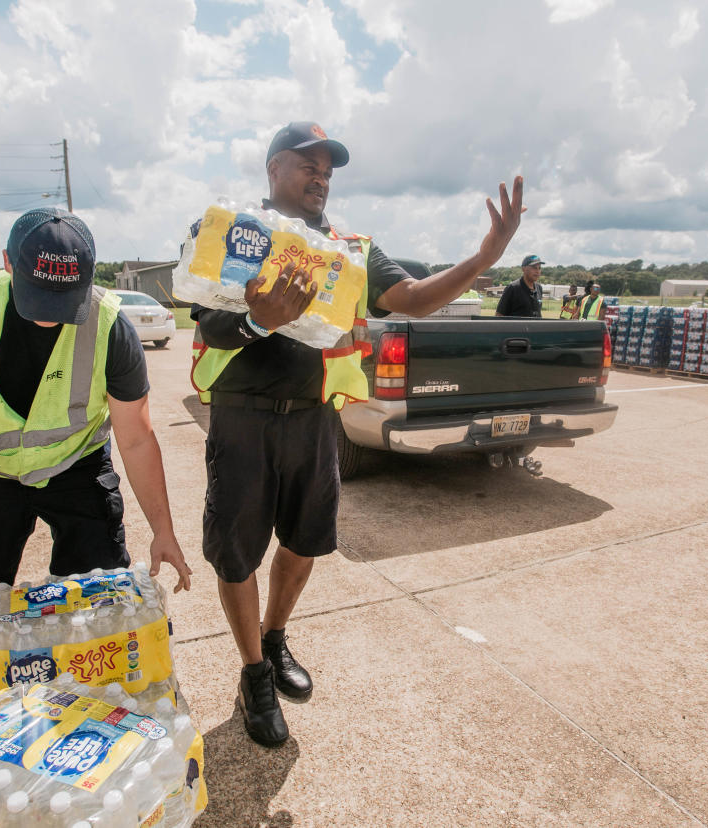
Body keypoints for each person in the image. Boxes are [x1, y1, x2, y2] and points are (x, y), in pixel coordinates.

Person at [188, 121, 524, 747]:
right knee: (236, 552)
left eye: (328, 170)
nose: (320, 177)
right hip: (242, 418)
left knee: (308, 542)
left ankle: (275, 635)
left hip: (315, 419)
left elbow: (414, 299)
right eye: (306, 165)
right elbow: (207, 325)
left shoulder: (349, 250)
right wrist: (258, 323)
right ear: (272, 169)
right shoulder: (238, 232)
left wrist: (483, 259)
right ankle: (254, 674)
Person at [0, 206, 191, 730]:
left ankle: (97, 718)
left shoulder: (110, 324)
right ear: (6, 264)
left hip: (76, 467)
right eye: (37, 297)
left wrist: (163, 530)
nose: (49, 314)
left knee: (102, 601)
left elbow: (135, 437)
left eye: (64, 301)